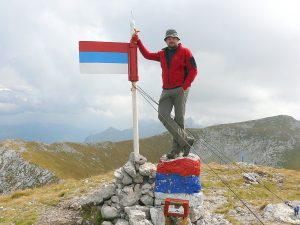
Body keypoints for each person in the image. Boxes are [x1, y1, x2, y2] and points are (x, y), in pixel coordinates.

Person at [131, 29, 198, 159]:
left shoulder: (186, 52)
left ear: (178, 40)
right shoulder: (162, 54)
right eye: (168, 38)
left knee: (179, 119)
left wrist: (184, 86)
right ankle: (186, 141)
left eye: (173, 38)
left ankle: (176, 151)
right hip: (166, 90)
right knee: (162, 114)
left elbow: (193, 70)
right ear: (166, 41)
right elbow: (147, 55)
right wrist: (138, 41)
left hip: (181, 89)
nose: (171, 40)